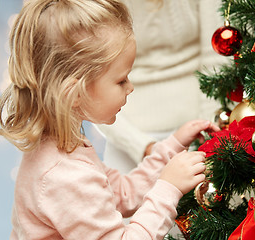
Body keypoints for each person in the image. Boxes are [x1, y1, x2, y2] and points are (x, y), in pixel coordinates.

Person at [0, 0, 219, 239]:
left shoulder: (65, 146)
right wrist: (169, 188)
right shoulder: (65, 175)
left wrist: (171, 147)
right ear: (74, 93)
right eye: (121, 80)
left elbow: (122, 194)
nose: (130, 87)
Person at [95, 0, 228, 174]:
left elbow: (218, 58)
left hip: (200, 128)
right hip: (125, 138)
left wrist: (208, 139)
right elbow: (90, 85)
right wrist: (142, 147)